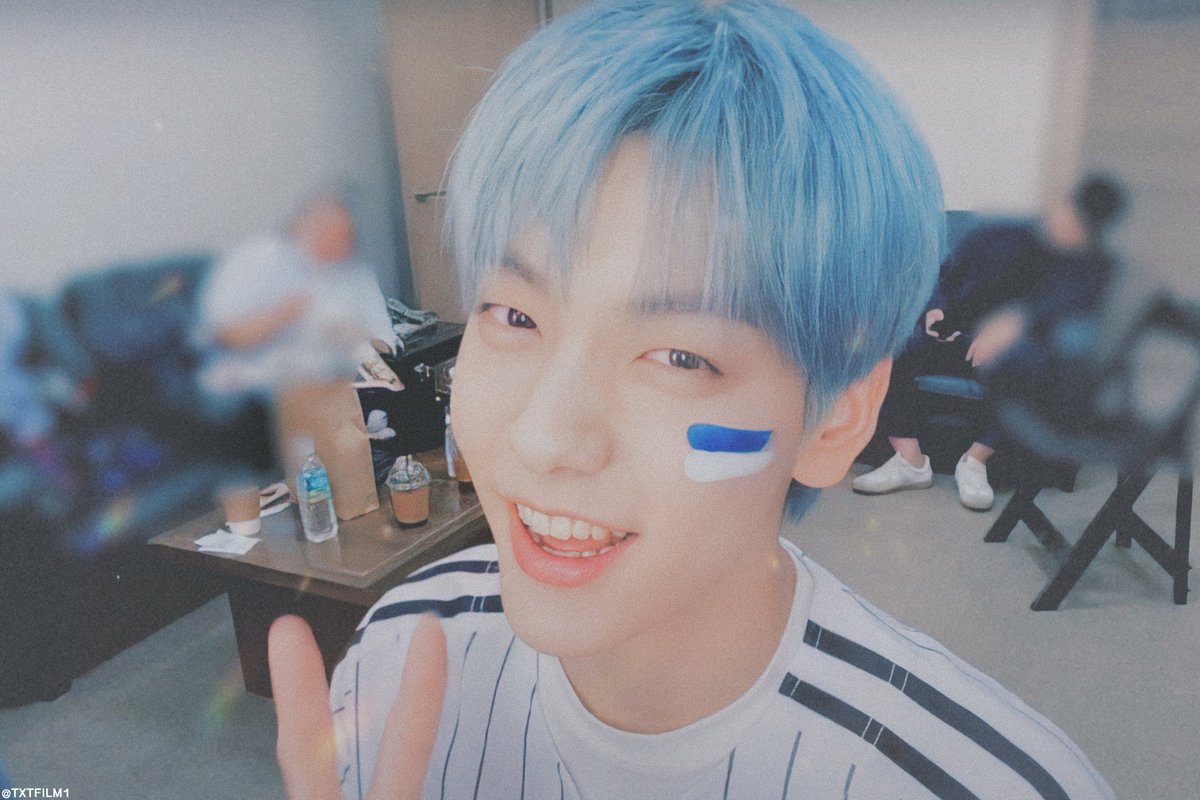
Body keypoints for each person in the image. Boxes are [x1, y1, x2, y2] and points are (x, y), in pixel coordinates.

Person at [269, 2, 1115, 798]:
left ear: (836, 418)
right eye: (514, 315)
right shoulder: (396, 655)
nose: (543, 437)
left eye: (679, 356)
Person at [852, 175, 1126, 510]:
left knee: (1027, 361)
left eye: (1077, 226)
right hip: (949, 331)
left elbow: (1065, 310)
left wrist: (1015, 327)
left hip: (1007, 349)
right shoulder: (1002, 235)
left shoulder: (1091, 268)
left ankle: (974, 461)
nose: (1063, 226)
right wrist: (935, 309)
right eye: (1063, 214)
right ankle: (909, 459)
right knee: (894, 341)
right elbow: (943, 273)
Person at [193, 191, 396, 405]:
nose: (333, 240)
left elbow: (386, 342)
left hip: (336, 380)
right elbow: (224, 335)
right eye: (323, 228)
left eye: (343, 235)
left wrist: (359, 337)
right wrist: (281, 316)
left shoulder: (357, 273)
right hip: (255, 383)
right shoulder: (257, 259)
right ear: (300, 224)